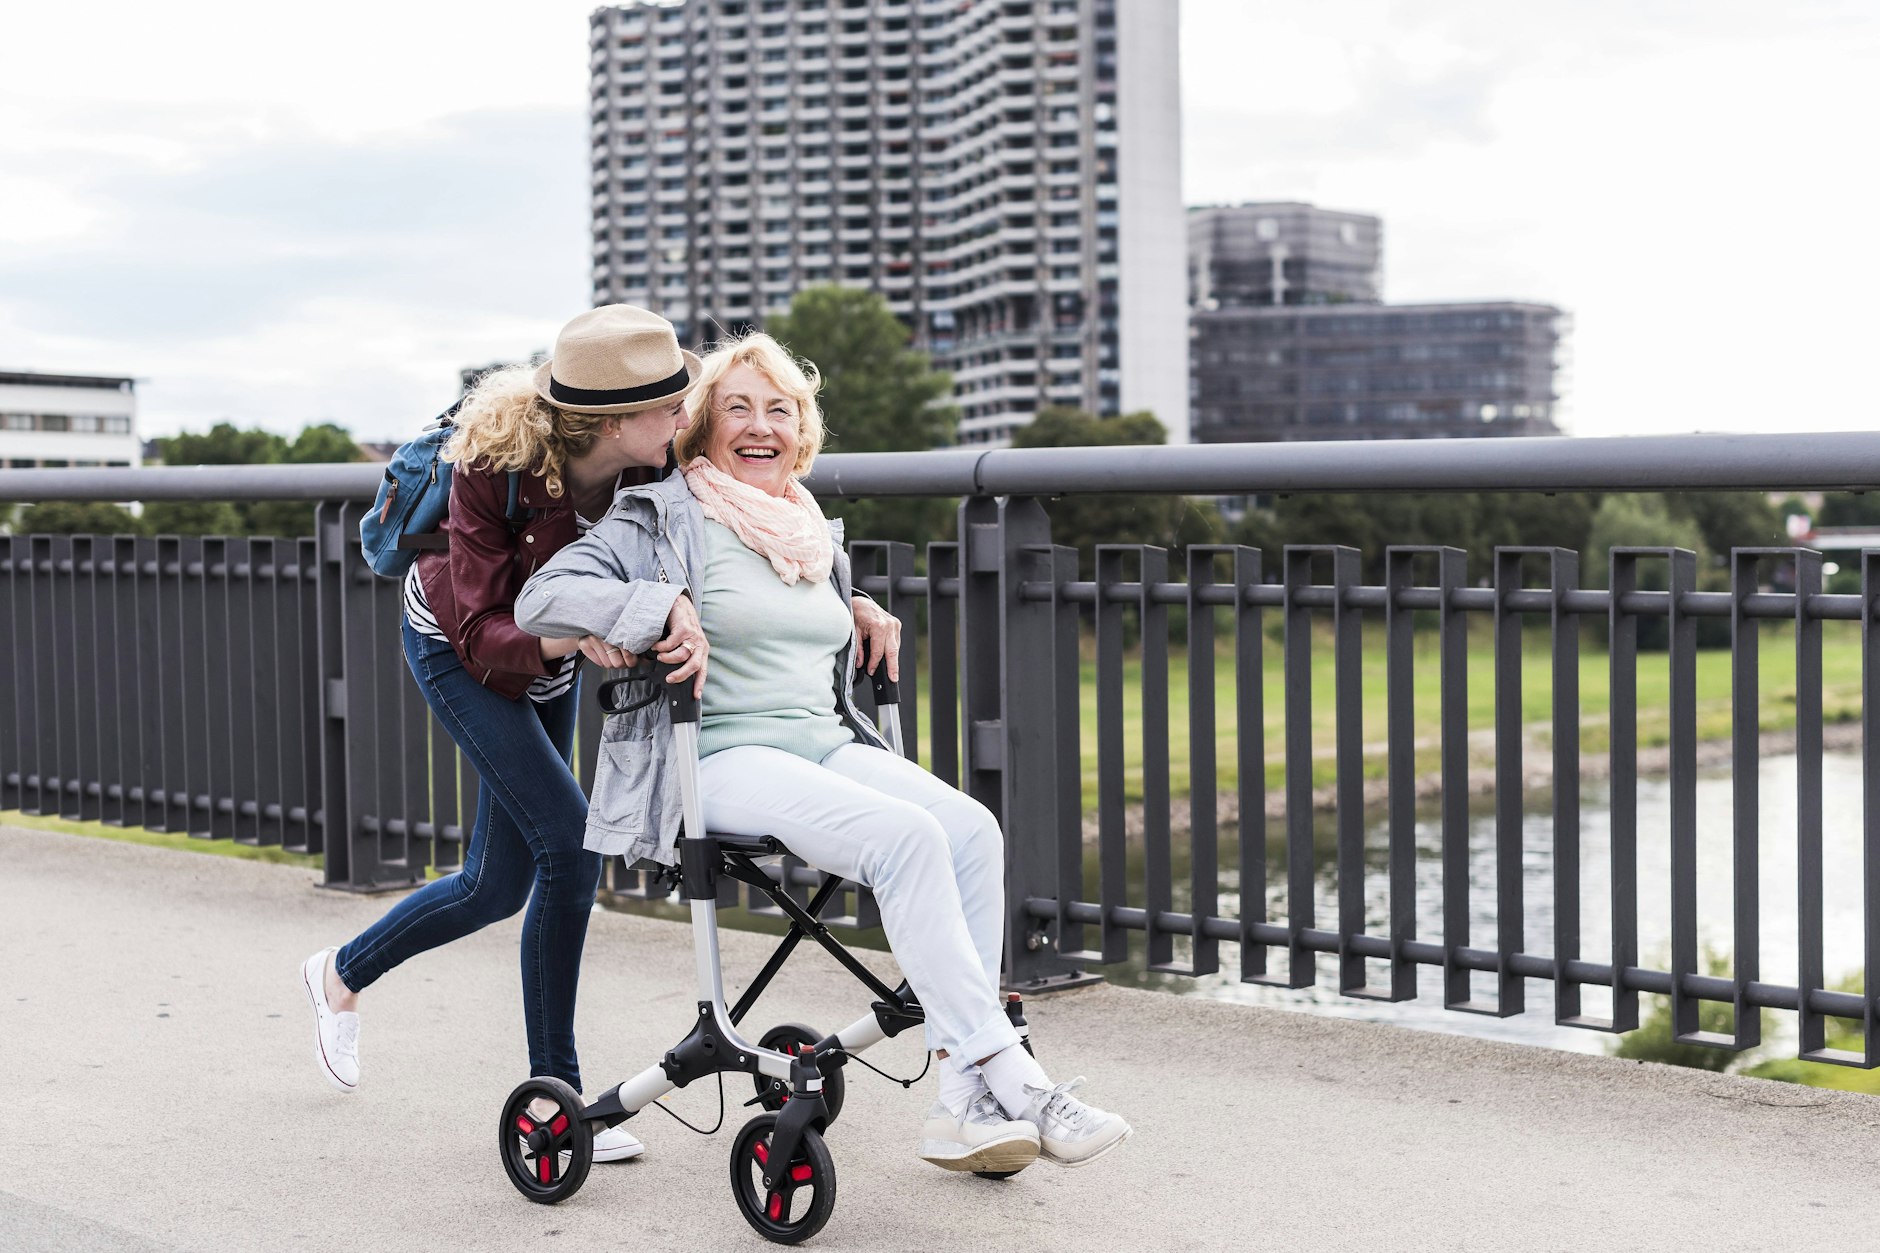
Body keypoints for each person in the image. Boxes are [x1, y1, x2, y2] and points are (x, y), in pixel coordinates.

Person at [513, 332, 1132, 1174]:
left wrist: (858, 603)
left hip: (821, 744)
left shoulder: (804, 529)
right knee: (905, 837)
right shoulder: (659, 516)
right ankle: (1012, 1075)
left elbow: (779, 608)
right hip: (716, 757)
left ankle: (961, 1100)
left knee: (971, 830)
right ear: (700, 428)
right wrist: (657, 608)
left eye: (780, 410)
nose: (760, 426)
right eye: (737, 408)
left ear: (800, 431)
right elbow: (542, 597)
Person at [297, 305, 699, 1165]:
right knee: (572, 849)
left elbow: (743, 524)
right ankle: (560, 1099)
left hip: (549, 660)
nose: (684, 413)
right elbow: (482, 630)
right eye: (668, 404)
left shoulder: (655, 462)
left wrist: (849, 597)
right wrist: (572, 635)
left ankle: (339, 972)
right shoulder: (496, 463)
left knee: (495, 883)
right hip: (459, 648)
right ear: (613, 420)